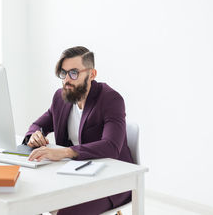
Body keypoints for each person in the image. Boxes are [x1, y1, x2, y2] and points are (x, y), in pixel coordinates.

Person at [24, 46, 133, 215]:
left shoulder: (110, 99)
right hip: (74, 177)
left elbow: (111, 146)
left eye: (74, 73)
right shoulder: (61, 97)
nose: (67, 79)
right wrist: (34, 135)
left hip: (111, 182)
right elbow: (38, 125)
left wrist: (66, 152)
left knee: (62, 211)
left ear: (92, 74)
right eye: (64, 73)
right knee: (28, 202)